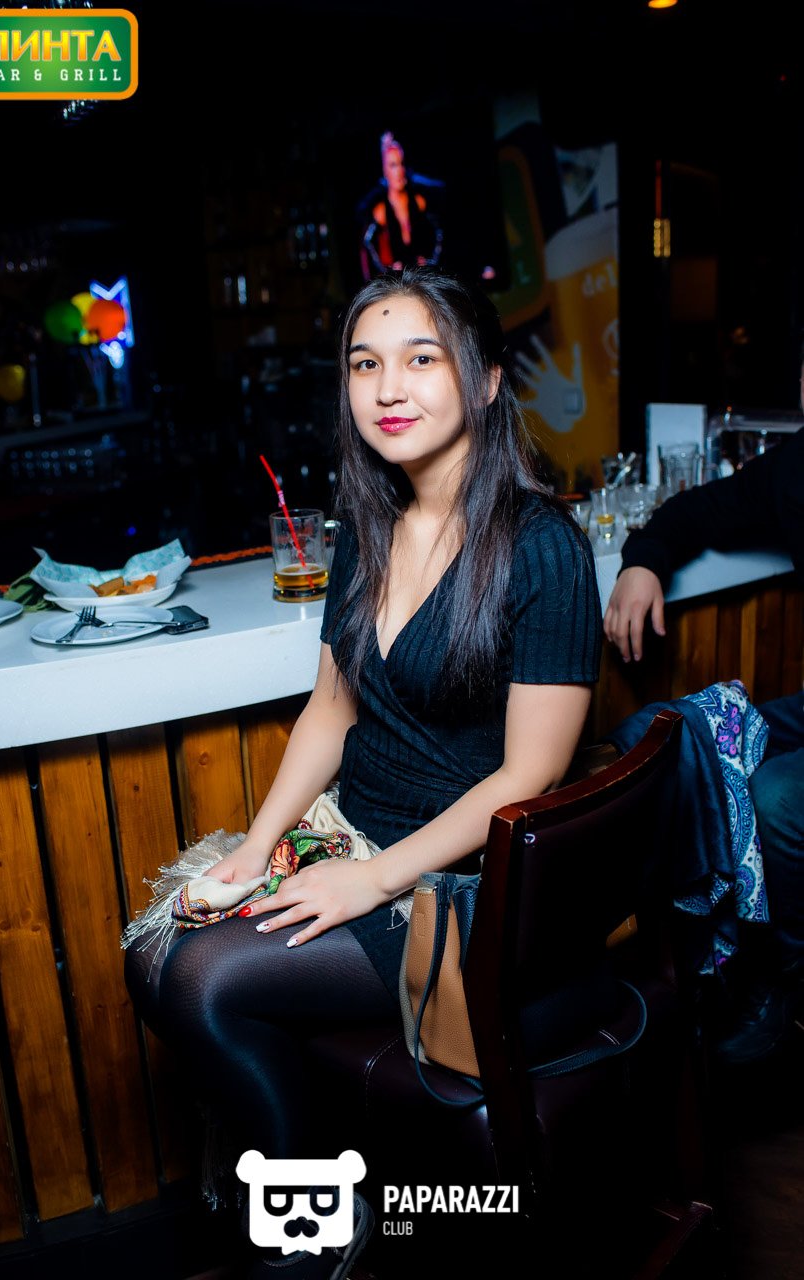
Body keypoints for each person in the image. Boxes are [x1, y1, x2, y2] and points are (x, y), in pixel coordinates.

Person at [124, 266, 602, 1278]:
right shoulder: (367, 531)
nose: (388, 387)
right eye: (364, 363)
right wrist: (256, 850)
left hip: (464, 887)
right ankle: (328, 1209)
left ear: (484, 380)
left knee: (199, 978)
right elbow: (331, 711)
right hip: (359, 837)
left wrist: (372, 879)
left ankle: (315, 1235)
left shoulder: (543, 547)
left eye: (421, 358)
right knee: (157, 952)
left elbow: (528, 775)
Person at [604, 417, 804, 1065]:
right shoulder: (795, 469)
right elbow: (695, 511)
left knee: (777, 796)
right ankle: (704, 968)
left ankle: (785, 985)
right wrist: (642, 562)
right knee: (681, 738)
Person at [359, 132, 444, 278]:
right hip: (396, 282)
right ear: (385, 170)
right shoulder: (381, 212)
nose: (399, 171)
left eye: (401, 163)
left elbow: (439, 234)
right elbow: (367, 245)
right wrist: (387, 270)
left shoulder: (418, 202)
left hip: (421, 277)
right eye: (393, 165)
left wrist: (430, 262)